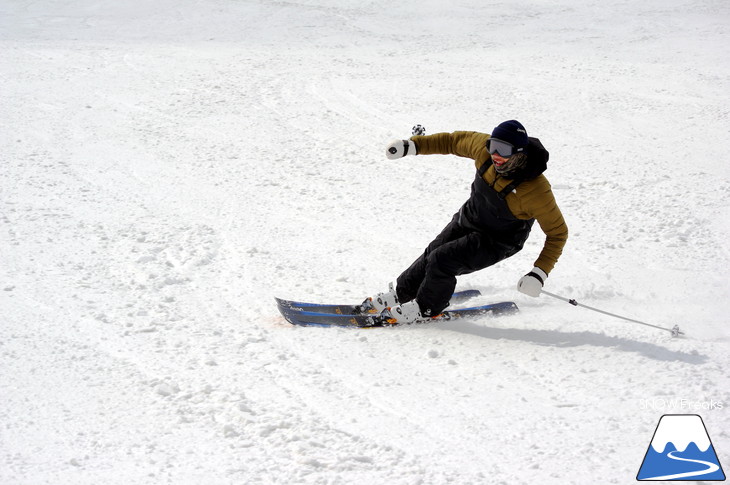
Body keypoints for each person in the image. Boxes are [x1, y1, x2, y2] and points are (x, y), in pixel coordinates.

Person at [365, 120, 568, 324]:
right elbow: (451, 141)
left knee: (442, 260)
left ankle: (427, 308)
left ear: (519, 152)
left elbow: (557, 234)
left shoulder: (537, 191)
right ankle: (401, 294)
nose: (495, 154)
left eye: (503, 150)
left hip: (498, 241)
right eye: (492, 145)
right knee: (431, 253)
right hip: (469, 219)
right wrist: (412, 146)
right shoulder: (484, 150)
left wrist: (539, 273)